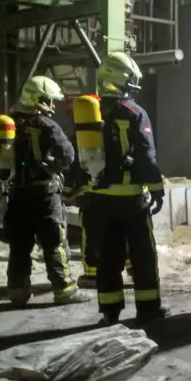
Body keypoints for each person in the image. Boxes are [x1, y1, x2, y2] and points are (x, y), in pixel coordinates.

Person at [89, 52, 169, 326]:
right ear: (124, 79)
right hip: (131, 201)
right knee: (142, 255)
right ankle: (148, 309)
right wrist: (157, 189)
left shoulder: (90, 111)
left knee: (108, 258)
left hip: (100, 201)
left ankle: (110, 312)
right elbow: (146, 156)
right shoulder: (134, 112)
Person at [2, 75, 87, 307]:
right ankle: (65, 291)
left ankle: (18, 291)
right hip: (45, 195)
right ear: (39, 100)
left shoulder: (9, 124)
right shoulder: (46, 125)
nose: (53, 106)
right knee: (55, 244)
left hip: (17, 195)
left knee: (19, 245)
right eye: (50, 100)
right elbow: (68, 154)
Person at [61, 94, 133, 290]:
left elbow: (74, 167)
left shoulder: (79, 137)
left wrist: (68, 191)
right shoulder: (112, 129)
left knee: (92, 234)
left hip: (90, 194)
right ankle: (133, 267)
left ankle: (92, 274)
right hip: (114, 191)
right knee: (122, 231)